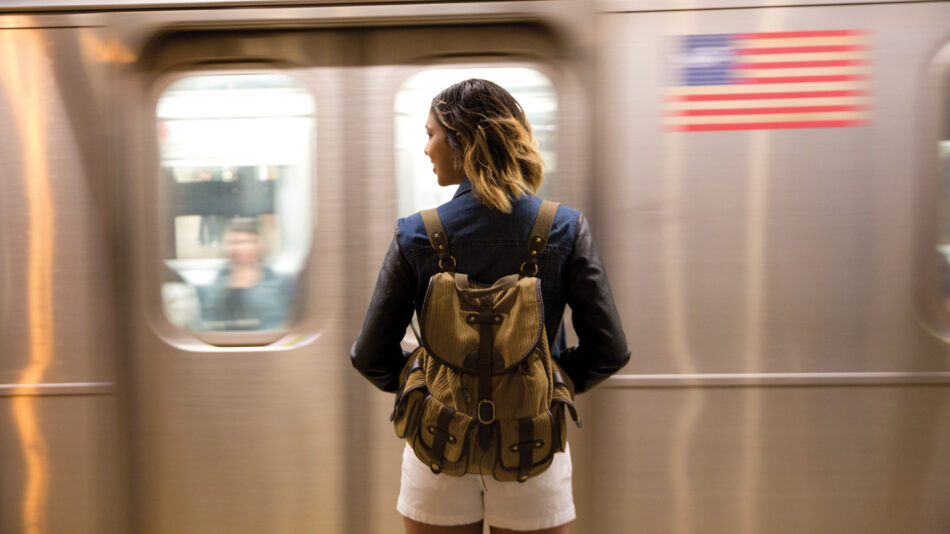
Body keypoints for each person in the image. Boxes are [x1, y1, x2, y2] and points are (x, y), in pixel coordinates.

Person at [351, 79, 630, 534]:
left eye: (431, 134)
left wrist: (426, 385)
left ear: (460, 139)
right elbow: (611, 350)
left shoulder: (416, 235)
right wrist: (545, 382)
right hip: (532, 449)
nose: (426, 149)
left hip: (437, 446)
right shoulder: (563, 229)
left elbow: (369, 356)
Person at [199, 217, 292, 331]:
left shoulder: (278, 284)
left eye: (246, 242)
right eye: (233, 242)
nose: (238, 248)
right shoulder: (216, 285)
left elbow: (282, 325)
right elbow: (208, 324)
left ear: (259, 244)